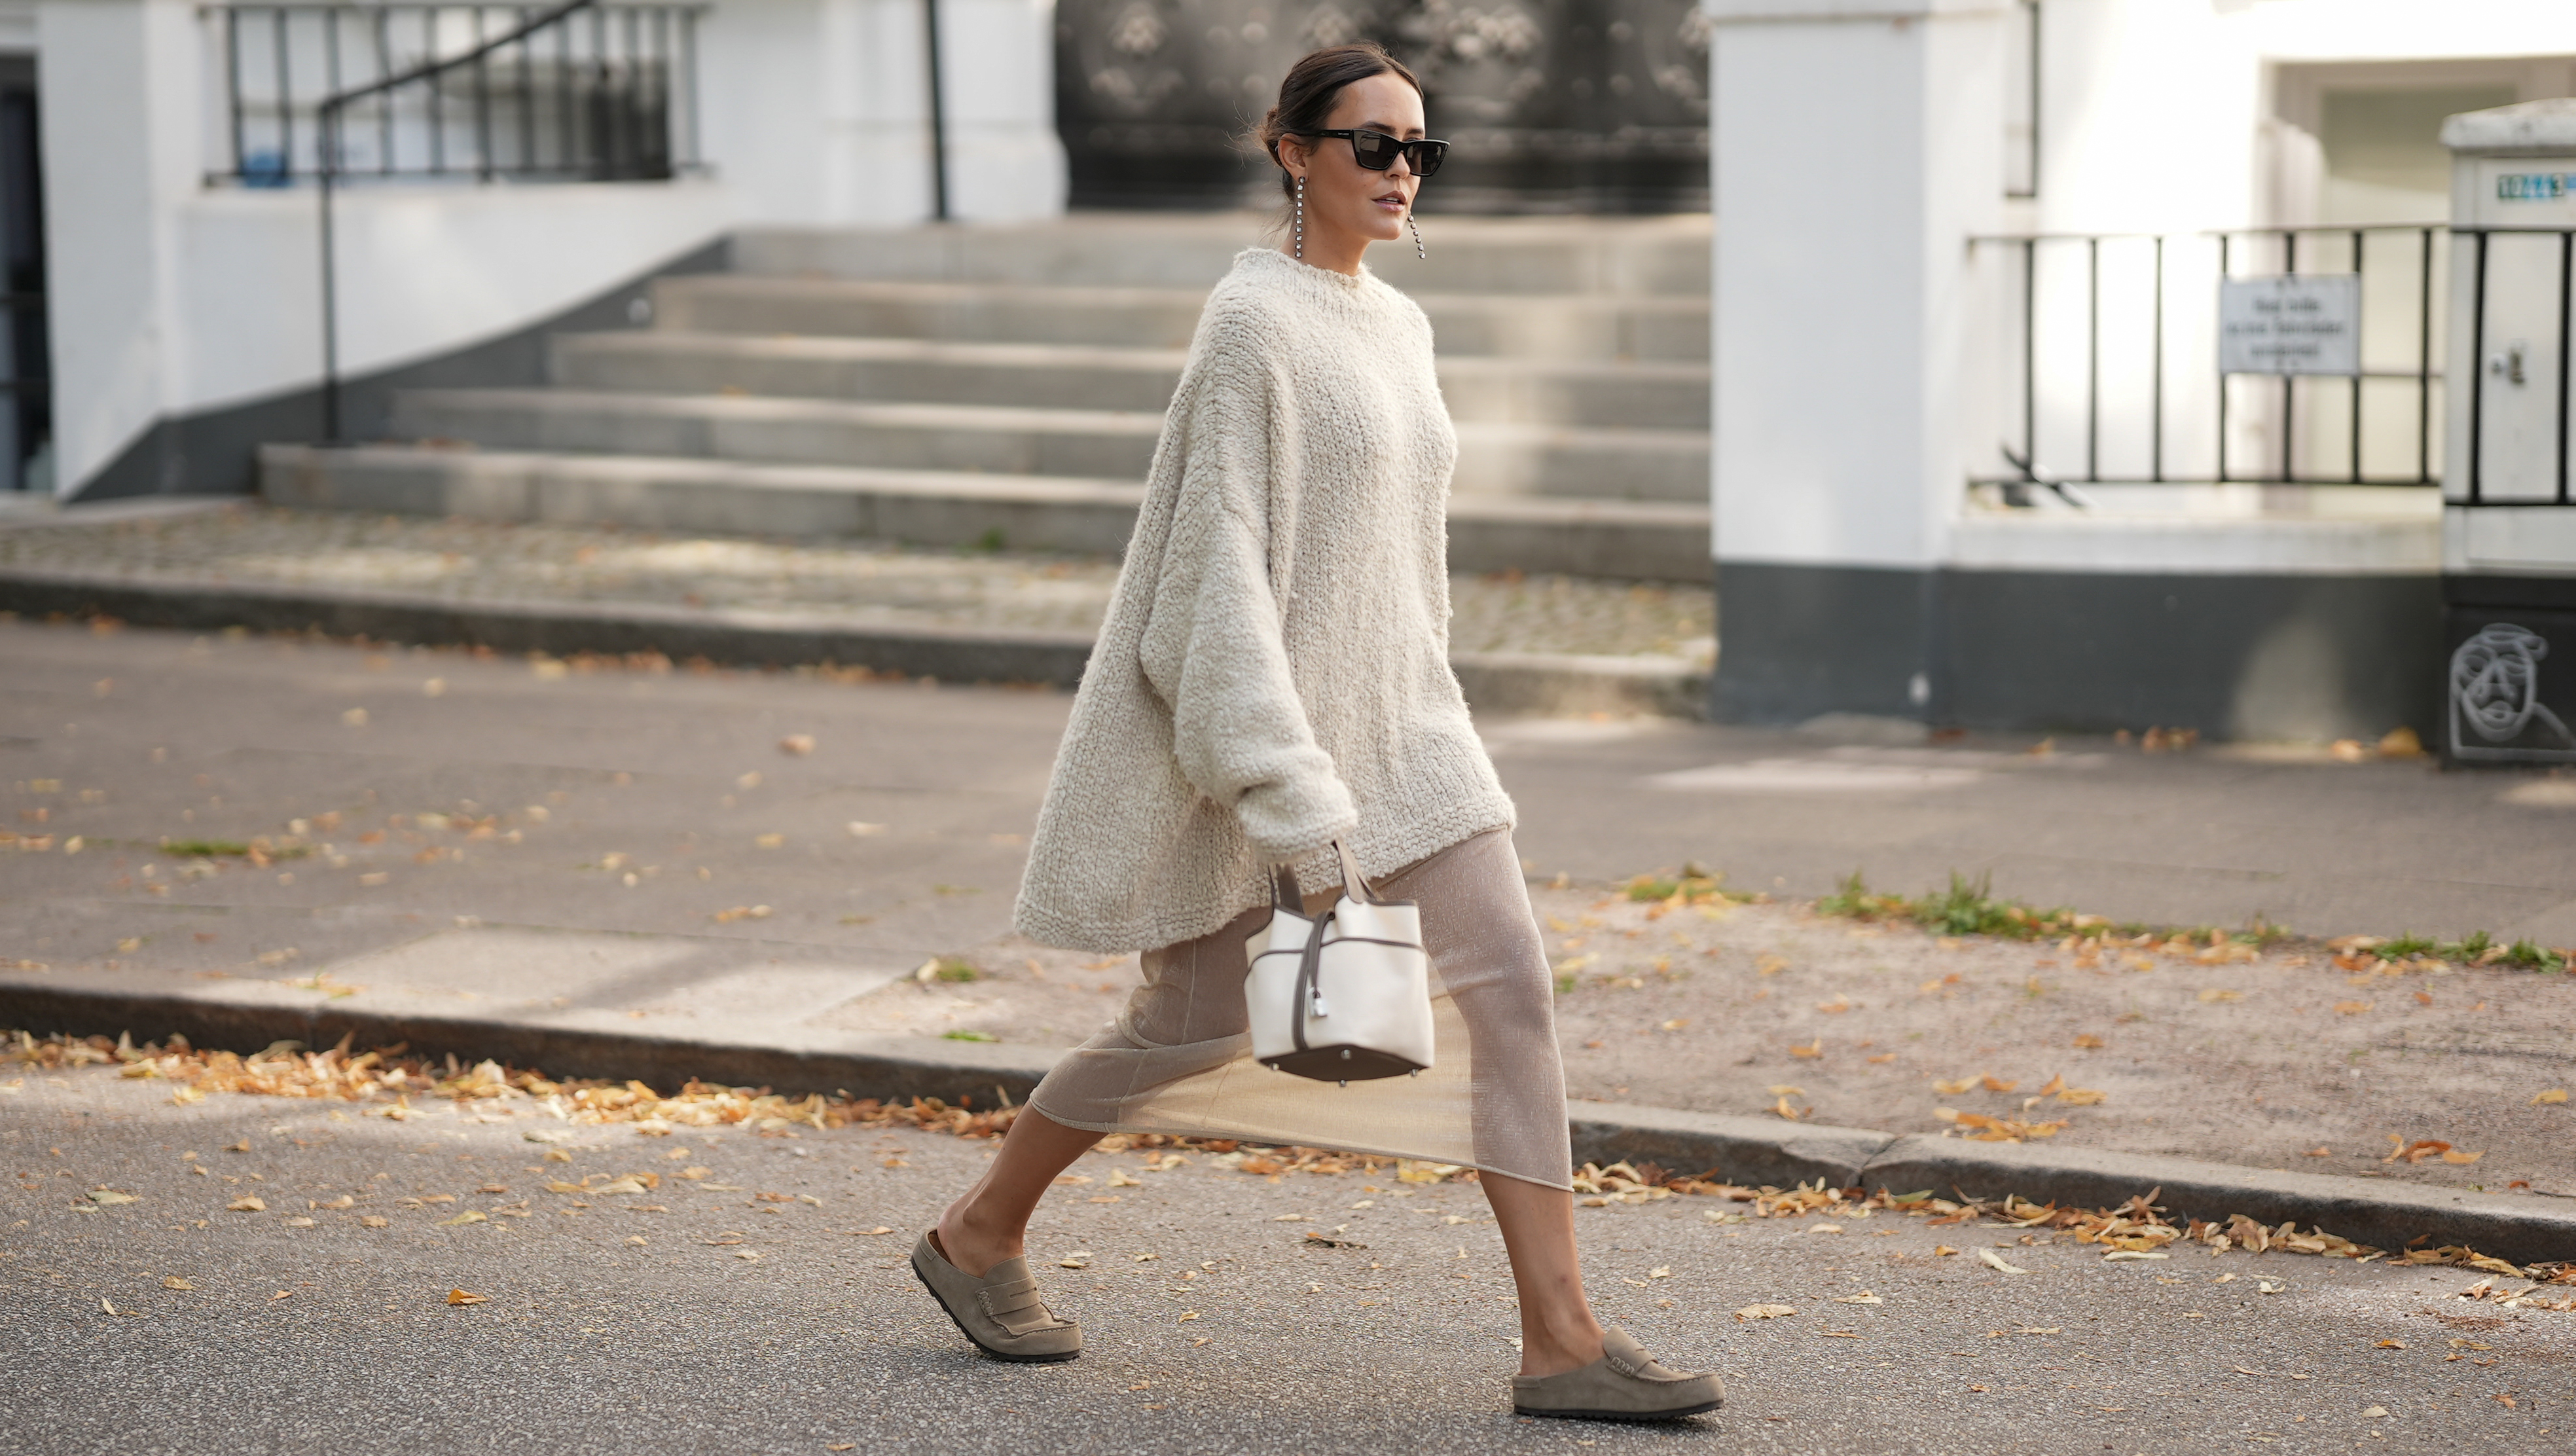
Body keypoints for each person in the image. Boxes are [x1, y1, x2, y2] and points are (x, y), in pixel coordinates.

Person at [907, 41, 1724, 1424]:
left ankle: (1562, 1338)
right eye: (1375, 146)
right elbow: (1213, 588)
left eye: (1422, 150)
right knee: (1188, 1027)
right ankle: (978, 1231)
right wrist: (1291, 794)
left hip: (1409, 731)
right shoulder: (1253, 326)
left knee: (1515, 988)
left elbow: (1402, 565)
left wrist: (1432, 708)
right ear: (1292, 150)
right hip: (1275, 760)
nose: (1405, 173)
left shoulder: (1398, 323)